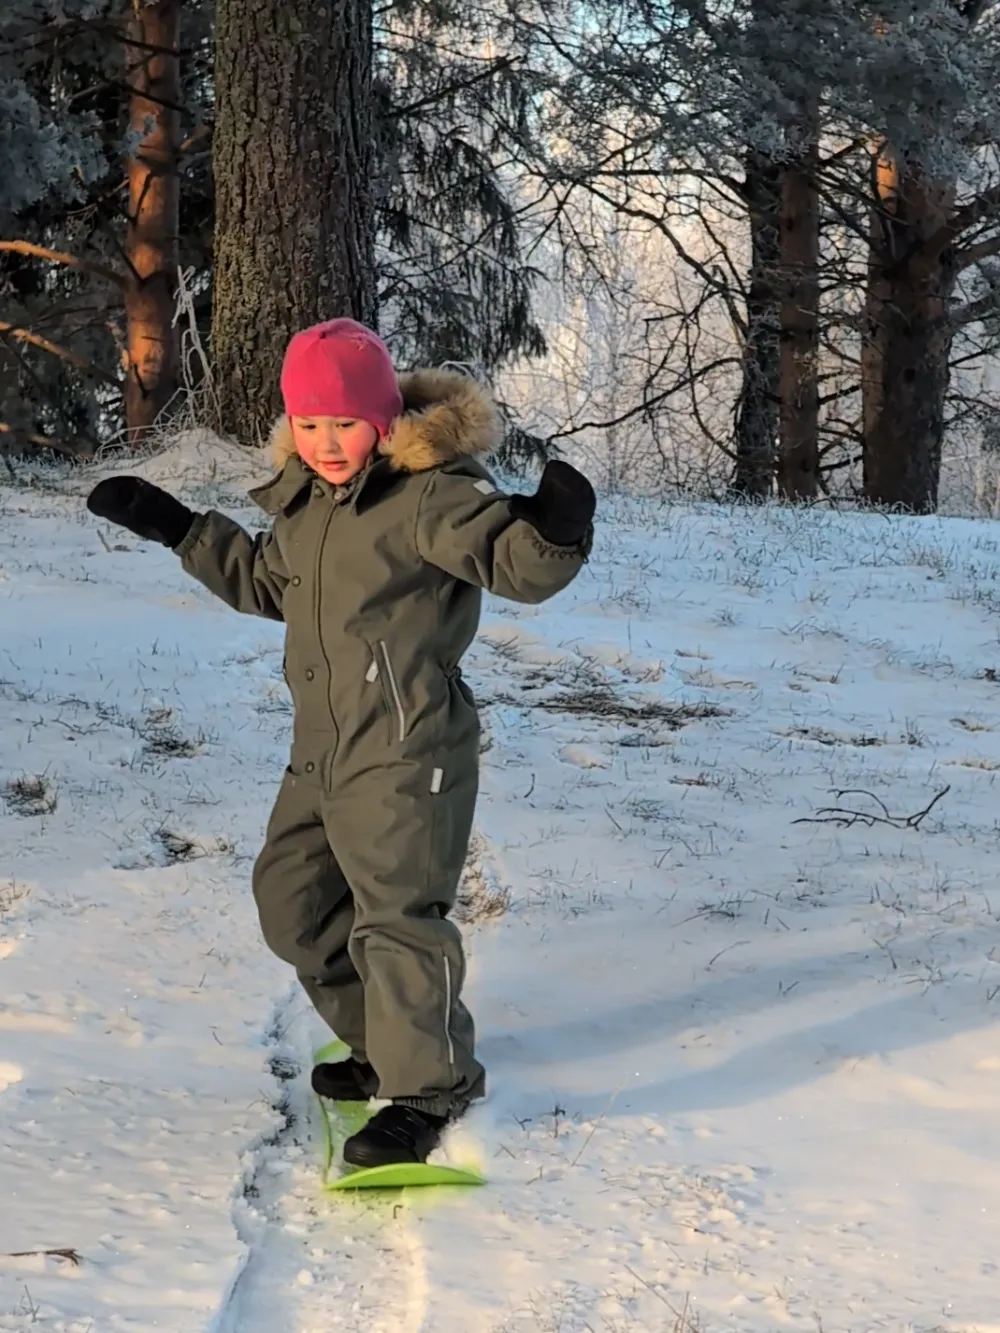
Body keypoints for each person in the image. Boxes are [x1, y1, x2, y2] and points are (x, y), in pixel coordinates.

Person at [86, 318, 595, 1167]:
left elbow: (510, 559)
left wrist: (555, 531)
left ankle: (429, 1088)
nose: (326, 442)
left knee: (399, 919)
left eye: (345, 423)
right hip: (322, 753)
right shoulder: (308, 502)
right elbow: (268, 582)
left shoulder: (428, 495)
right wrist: (179, 528)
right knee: (291, 901)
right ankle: (378, 1041)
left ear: (383, 420)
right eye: (310, 422)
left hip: (406, 748)